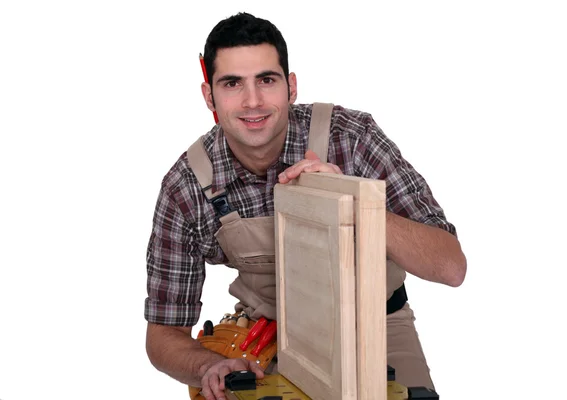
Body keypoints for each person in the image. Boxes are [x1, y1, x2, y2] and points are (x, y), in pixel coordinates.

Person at [144, 11, 467, 400]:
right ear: (209, 95)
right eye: (232, 83)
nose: (252, 101)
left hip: (377, 326)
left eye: (267, 80)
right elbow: (163, 332)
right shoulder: (187, 185)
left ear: (291, 87)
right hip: (268, 338)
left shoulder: (352, 139)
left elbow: (451, 266)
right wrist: (207, 367)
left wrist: (355, 203)